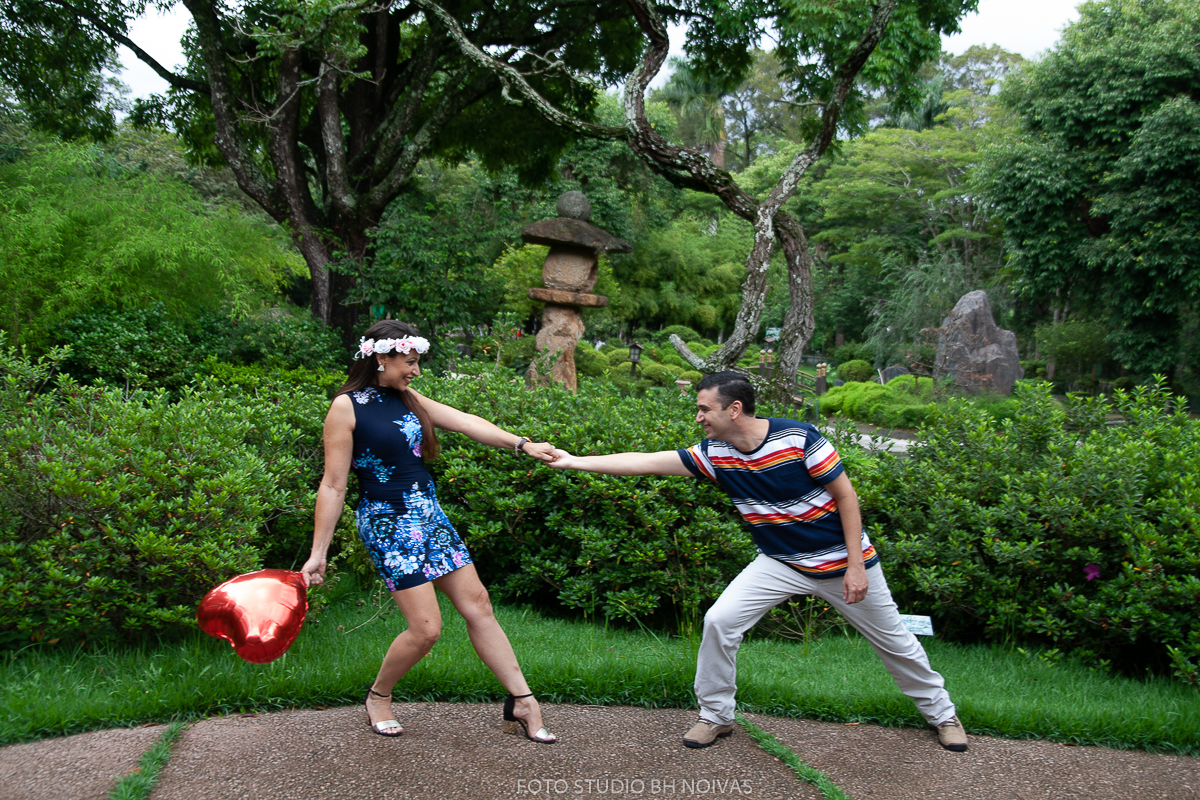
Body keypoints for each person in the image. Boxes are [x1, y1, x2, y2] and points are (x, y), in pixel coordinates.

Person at [547, 371, 967, 752]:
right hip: (781, 562)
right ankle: (716, 716)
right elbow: (645, 463)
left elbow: (847, 497)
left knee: (894, 641)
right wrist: (572, 460)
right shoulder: (716, 453)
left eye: (704, 408)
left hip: (842, 561)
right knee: (719, 621)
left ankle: (943, 716)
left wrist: (857, 566)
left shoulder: (799, 439)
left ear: (734, 408)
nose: (699, 417)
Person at [301, 320, 556, 743]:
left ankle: (523, 700)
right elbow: (333, 484)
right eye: (410, 362)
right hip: (388, 521)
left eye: (417, 363)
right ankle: (378, 696)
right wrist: (318, 552)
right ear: (381, 358)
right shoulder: (347, 406)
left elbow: (467, 421)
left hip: (428, 514)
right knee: (426, 629)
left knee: (479, 605)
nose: (415, 371)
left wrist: (522, 445)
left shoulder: (409, 398)